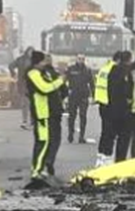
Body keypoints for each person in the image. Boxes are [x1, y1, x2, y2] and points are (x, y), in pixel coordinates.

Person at [25, 51, 68, 187]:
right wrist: (60, 80)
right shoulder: (33, 73)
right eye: (43, 61)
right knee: (42, 142)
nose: (45, 64)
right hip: (42, 113)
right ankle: (36, 171)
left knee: (47, 141)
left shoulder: (43, 72)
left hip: (49, 112)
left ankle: (40, 168)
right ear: (38, 62)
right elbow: (44, 88)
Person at [100, 51, 134, 163]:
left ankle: (105, 160)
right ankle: (120, 161)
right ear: (128, 60)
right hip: (125, 111)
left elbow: (110, 89)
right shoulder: (128, 72)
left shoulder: (111, 70)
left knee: (109, 136)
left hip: (111, 109)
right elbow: (128, 91)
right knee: (123, 139)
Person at [65, 54, 95, 144]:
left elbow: (91, 83)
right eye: (79, 59)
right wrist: (64, 95)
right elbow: (65, 81)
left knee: (83, 116)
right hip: (73, 95)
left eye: (82, 59)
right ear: (76, 59)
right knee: (72, 116)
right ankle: (70, 134)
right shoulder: (71, 69)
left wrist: (93, 96)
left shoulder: (87, 70)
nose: (81, 60)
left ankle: (81, 136)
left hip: (83, 96)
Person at [11, 47, 35, 129]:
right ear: (27, 51)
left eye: (32, 51)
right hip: (23, 84)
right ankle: (25, 121)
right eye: (30, 51)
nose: (31, 53)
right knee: (25, 104)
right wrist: (13, 74)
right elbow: (11, 65)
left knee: (32, 104)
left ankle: (32, 121)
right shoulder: (20, 60)